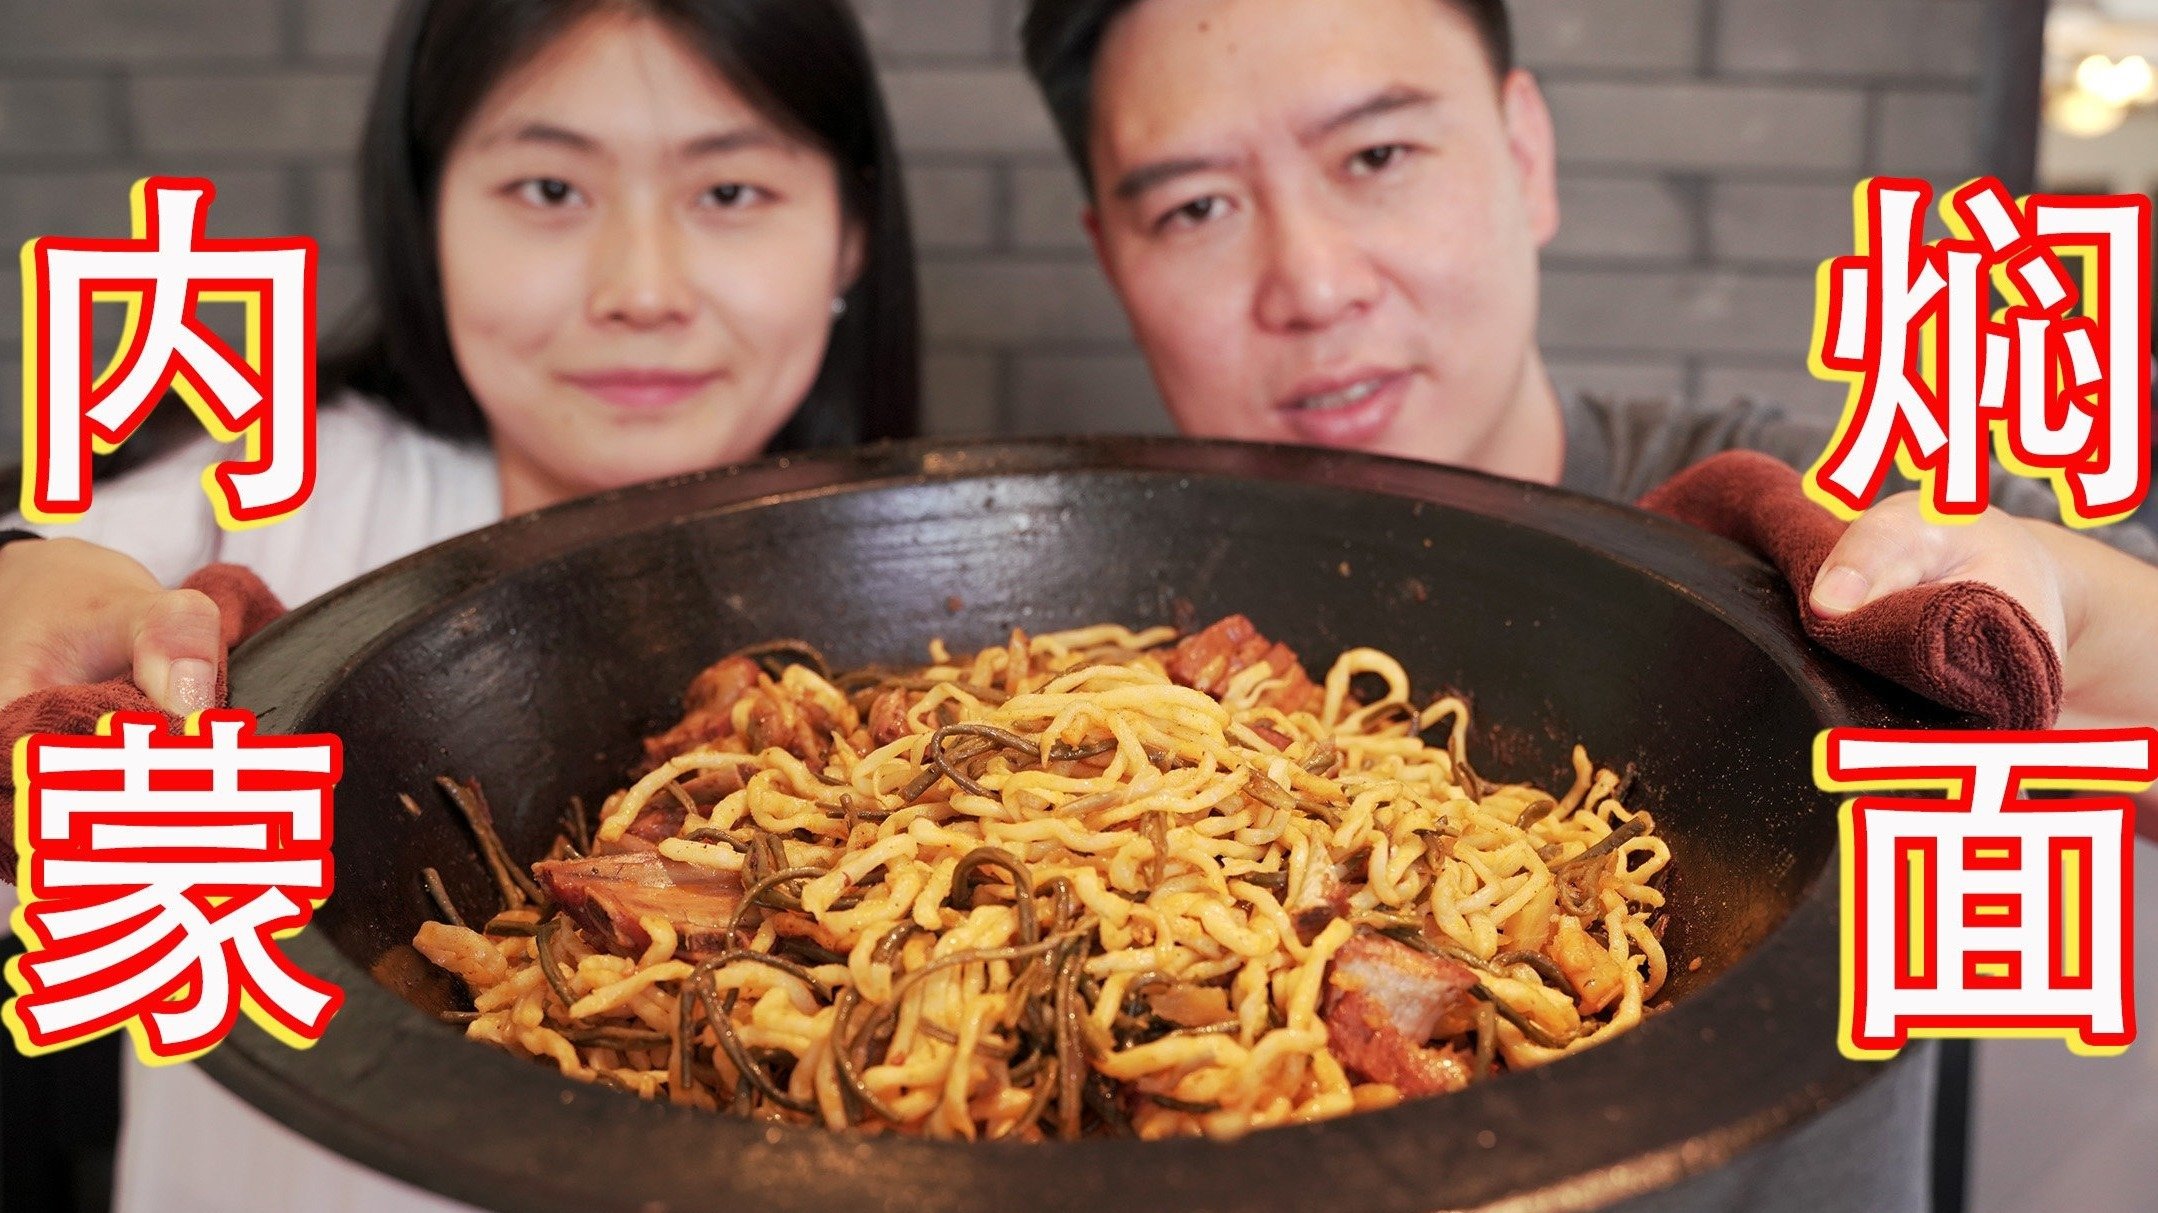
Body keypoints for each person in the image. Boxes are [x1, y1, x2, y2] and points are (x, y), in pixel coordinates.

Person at [1017, 1, 2158, 1210]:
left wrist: (2082, 627)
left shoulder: (1842, 524)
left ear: (1525, 157)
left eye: (1376, 155)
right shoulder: (1092, 626)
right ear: (1112, 255)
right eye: (1195, 206)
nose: (1309, 282)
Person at [0, 0, 918, 1208]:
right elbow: (57, 591)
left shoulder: (920, 594)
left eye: (730, 193)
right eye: (548, 189)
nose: (640, 288)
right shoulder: (259, 498)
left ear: (851, 233)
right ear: (427, 212)